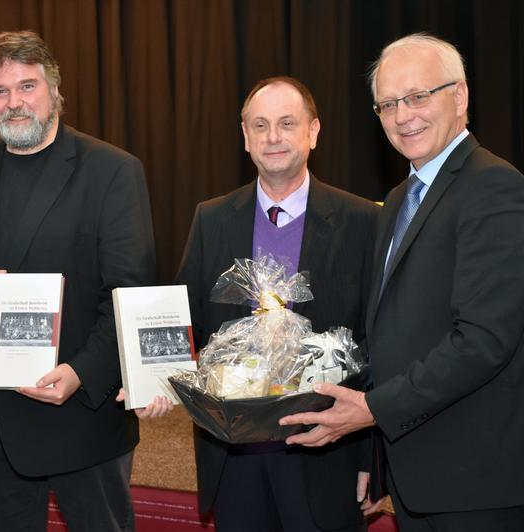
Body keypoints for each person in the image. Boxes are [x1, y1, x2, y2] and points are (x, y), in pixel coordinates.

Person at [280, 33, 524, 530]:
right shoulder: (397, 201)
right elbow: (391, 335)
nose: (403, 115)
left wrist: (372, 410)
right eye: (388, 104)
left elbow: (482, 341)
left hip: (476, 480)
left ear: (459, 97)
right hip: (415, 472)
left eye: (418, 96)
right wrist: (374, 451)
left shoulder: (494, 187)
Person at [0, 30, 155, 531]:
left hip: (81, 415)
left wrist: (82, 373)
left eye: (27, 86)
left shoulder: (112, 171)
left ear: (54, 91)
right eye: (0, 91)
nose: (15, 102)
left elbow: (128, 293)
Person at [175, 76, 379, 531]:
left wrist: (372, 456)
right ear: (245, 137)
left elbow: (378, 342)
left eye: (287, 123)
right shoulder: (211, 218)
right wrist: (150, 376)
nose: (273, 137)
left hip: (328, 451)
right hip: (235, 455)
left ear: (313, 132)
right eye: (260, 125)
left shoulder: (364, 220)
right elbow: (182, 321)